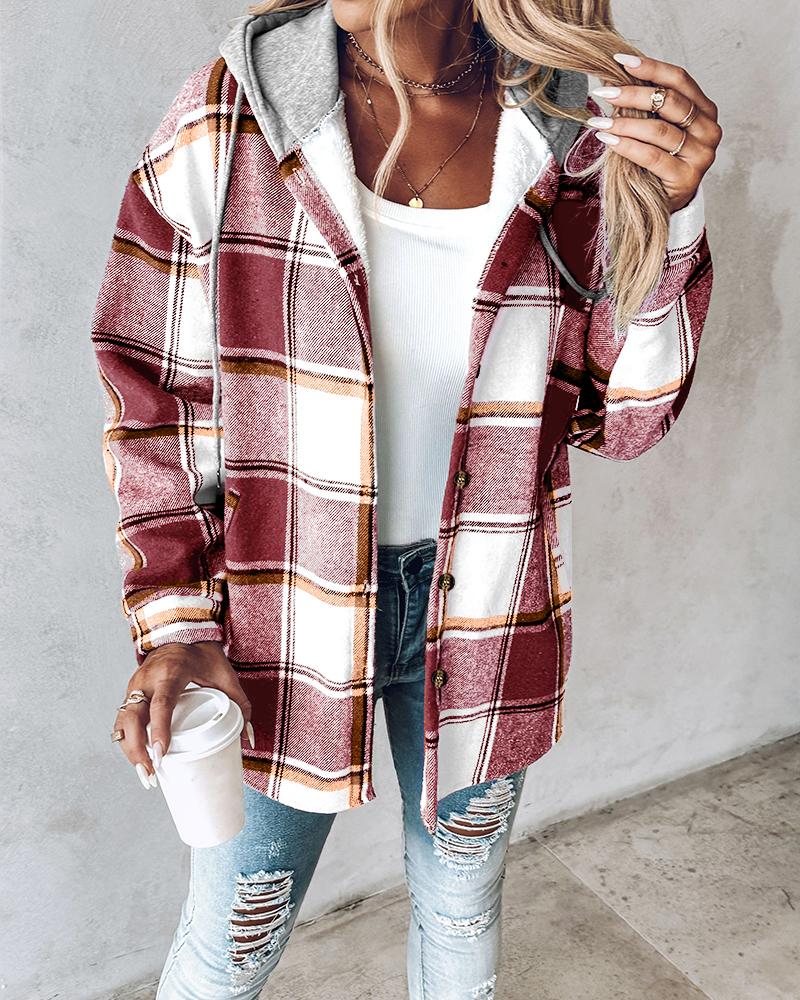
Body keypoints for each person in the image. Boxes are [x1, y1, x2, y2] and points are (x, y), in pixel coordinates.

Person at [91, 0, 720, 995]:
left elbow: (626, 421)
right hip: (278, 618)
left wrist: (674, 208)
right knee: (233, 935)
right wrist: (174, 625)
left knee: (461, 905)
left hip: (488, 615)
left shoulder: (582, 128)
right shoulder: (236, 111)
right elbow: (153, 396)